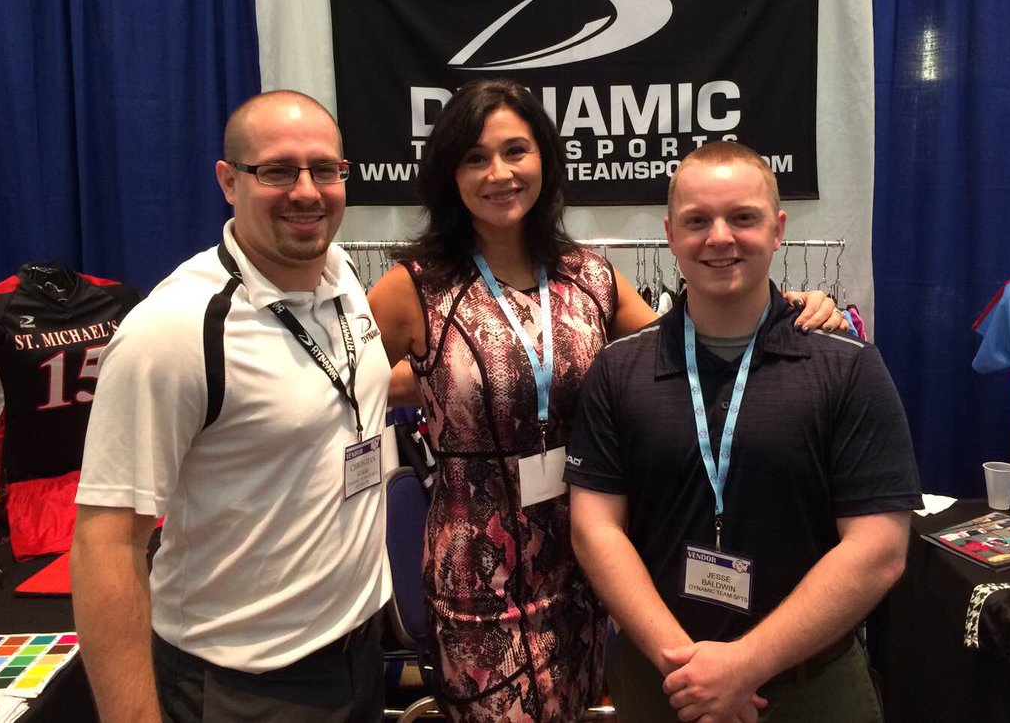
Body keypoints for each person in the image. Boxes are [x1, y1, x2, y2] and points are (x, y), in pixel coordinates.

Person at [367, 80, 846, 722]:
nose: (499, 173)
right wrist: (433, 382)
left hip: (582, 562)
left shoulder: (588, 276)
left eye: (515, 151)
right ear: (449, 174)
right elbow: (352, 389)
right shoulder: (415, 287)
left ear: (544, 159)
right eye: (475, 158)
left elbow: (686, 349)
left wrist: (789, 308)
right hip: (476, 573)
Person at [566, 140, 923, 723]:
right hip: (664, 684)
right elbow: (594, 531)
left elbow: (878, 549)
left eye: (743, 218)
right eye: (697, 221)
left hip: (810, 691)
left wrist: (745, 665)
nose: (720, 237)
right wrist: (692, 671)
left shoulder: (848, 367)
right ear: (670, 234)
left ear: (778, 230)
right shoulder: (618, 369)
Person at [71, 91, 396, 723]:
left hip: (359, 655)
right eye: (277, 171)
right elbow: (104, 545)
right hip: (240, 688)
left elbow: (332, 394)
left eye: (324, 169)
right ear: (228, 181)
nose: (307, 192)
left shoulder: (340, 275)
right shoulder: (174, 330)